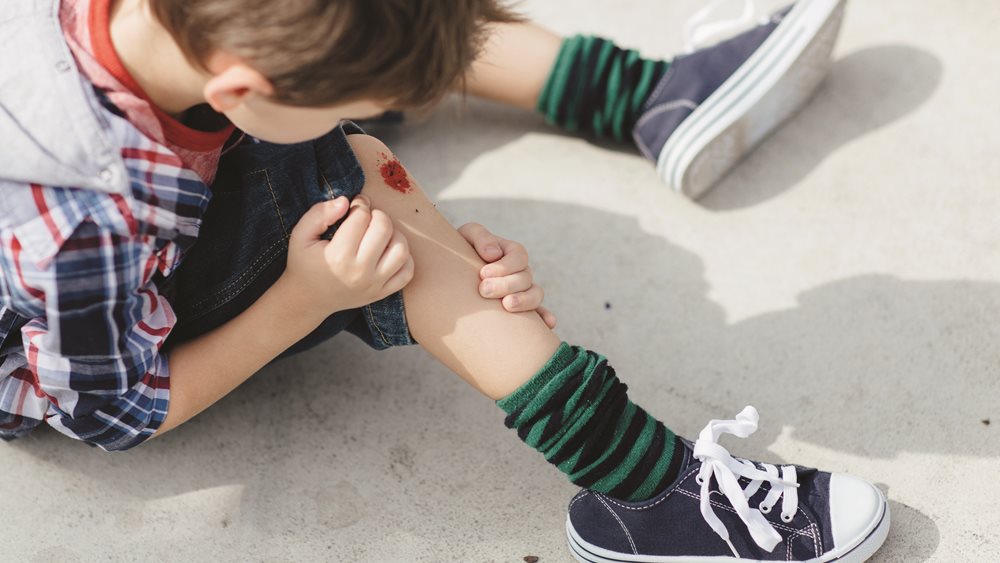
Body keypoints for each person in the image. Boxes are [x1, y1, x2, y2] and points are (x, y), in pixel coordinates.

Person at [0, 0, 888, 560]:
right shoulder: (84, 219)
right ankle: (646, 489)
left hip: (177, 188)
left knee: (385, 34)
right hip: (109, 343)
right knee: (355, 185)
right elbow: (116, 412)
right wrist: (308, 294)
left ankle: (645, 95)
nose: (404, 106)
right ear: (237, 91)